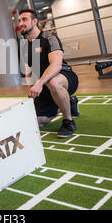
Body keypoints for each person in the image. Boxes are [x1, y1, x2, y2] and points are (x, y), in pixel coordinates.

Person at [18, 9, 80, 138]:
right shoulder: (25, 46)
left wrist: (40, 83)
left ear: (34, 21)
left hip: (65, 77)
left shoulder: (50, 38)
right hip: (44, 85)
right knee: (37, 122)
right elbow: (30, 71)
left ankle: (68, 121)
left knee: (54, 82)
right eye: (19, 20)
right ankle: (68, 102)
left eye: (24, 19)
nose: (21, 23)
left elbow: (56, 65)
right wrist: (31, 91)